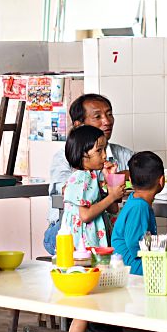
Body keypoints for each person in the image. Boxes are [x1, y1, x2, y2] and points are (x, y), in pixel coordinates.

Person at [56, 125, 126, 332]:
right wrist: (111, 197)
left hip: (89, 248)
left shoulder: (91, 177)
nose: (104, 154)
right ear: (83, 156)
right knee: (85, 309)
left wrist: (111, 183)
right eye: (99, 150)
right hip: (83, 250)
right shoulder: (80, 179)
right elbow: (86, 214)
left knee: (87, 308)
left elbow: (110, 206)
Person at [44, 94, 133, 254]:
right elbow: (67, 193)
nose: (107, 121)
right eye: (97, 116)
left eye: (109, 114)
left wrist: (111, 180)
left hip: (99, 225)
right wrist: (111, 190)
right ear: (79, 126)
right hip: (69, 231)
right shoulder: (73, 168)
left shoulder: (121, 155)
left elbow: (114, 208)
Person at [111, 150, 167, 281]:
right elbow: (135, 245)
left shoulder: (135, 201)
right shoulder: (139, 207)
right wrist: (161, 250)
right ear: (162, 180)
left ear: (130, 179)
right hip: (132, 267)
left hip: (134, 264)